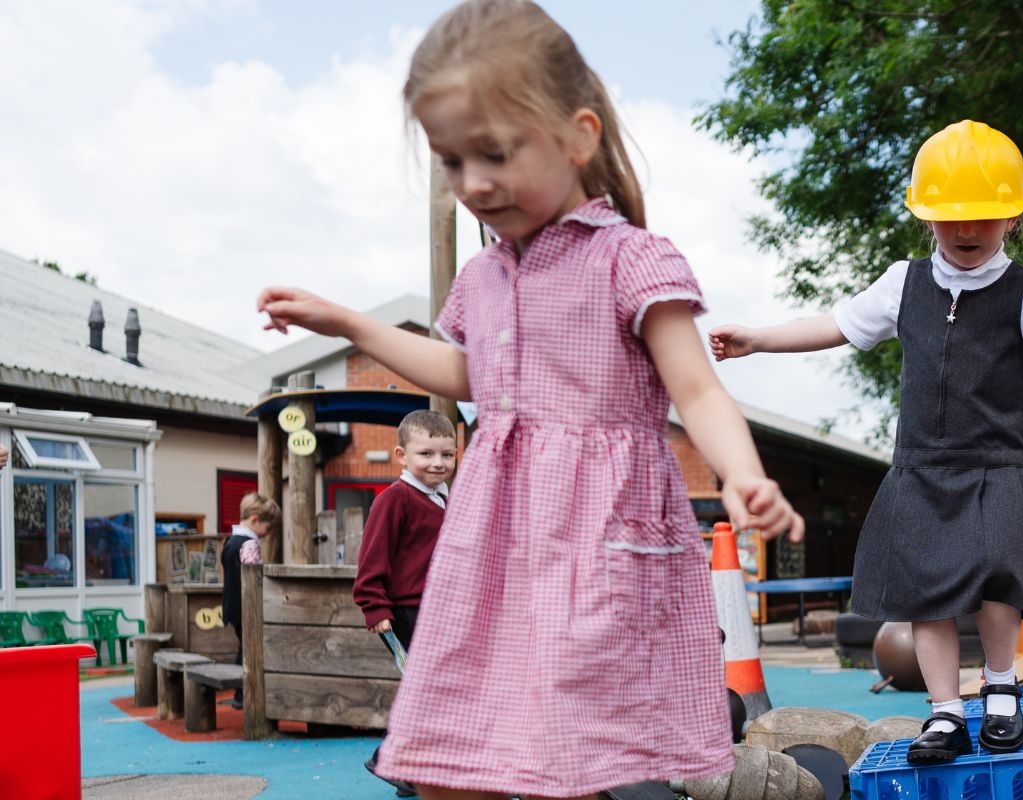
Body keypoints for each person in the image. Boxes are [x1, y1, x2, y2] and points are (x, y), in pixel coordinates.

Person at [255, 1, 803, 795]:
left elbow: (698, 390)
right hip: (494, 537)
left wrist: (742, 475)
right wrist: (346, 322)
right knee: (448, 748)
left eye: (496, 153)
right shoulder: (483, 276)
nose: (473, 183)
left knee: (572, 758)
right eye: (451, 162)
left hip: (599, 534)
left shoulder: (630, 260)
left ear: (579, 135)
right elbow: (466, 376)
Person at [709, 119, 1023, 764]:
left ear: (1012, 215)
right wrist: (759, 338)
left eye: (984, 218)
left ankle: (1001, 691)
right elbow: (835, 325)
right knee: (927, 592)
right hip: (921, 465)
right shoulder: (904, 282)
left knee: (1001, 577)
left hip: (996, 463)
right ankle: (945, 712)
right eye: (951, 220)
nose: (967, 232)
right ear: (927, 218)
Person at [354, 409, 458, 797]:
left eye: (446, 455)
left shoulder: (444, 499)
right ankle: (391, 760)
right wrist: (374, 606)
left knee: (438, 690)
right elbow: (371, 558)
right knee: (429, 691)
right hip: (404, 612)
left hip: (438, 613)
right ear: (401, 455)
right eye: (426, 454)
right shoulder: (394, 500)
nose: (437, 462)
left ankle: (410, 776)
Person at [221, 494, 279, 668]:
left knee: (244, 648)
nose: (267, 534)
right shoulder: (249, 545)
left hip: (233, 606)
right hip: (246, 607)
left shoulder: (230, 542)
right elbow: (255, 578)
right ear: (255, 520)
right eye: (268, 528)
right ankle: (243, 691)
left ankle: (241, 691)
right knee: (251, 649)